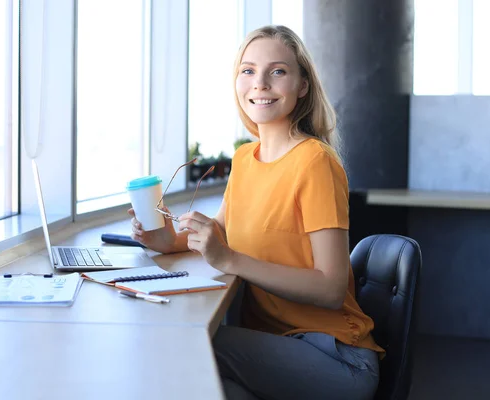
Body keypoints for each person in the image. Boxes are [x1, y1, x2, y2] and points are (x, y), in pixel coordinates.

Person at [128, 25, 384, 400]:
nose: (259, 83)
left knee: (192, 345)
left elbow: (330, 289)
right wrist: (165, 240)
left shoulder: (315, 162)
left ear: (302, 85)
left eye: (277, 71)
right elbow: (219, 232)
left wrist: (230, 259)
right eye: (247, 71)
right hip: (274, 349)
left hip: (336, 357)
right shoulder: (246, 159)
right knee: (219, 391)